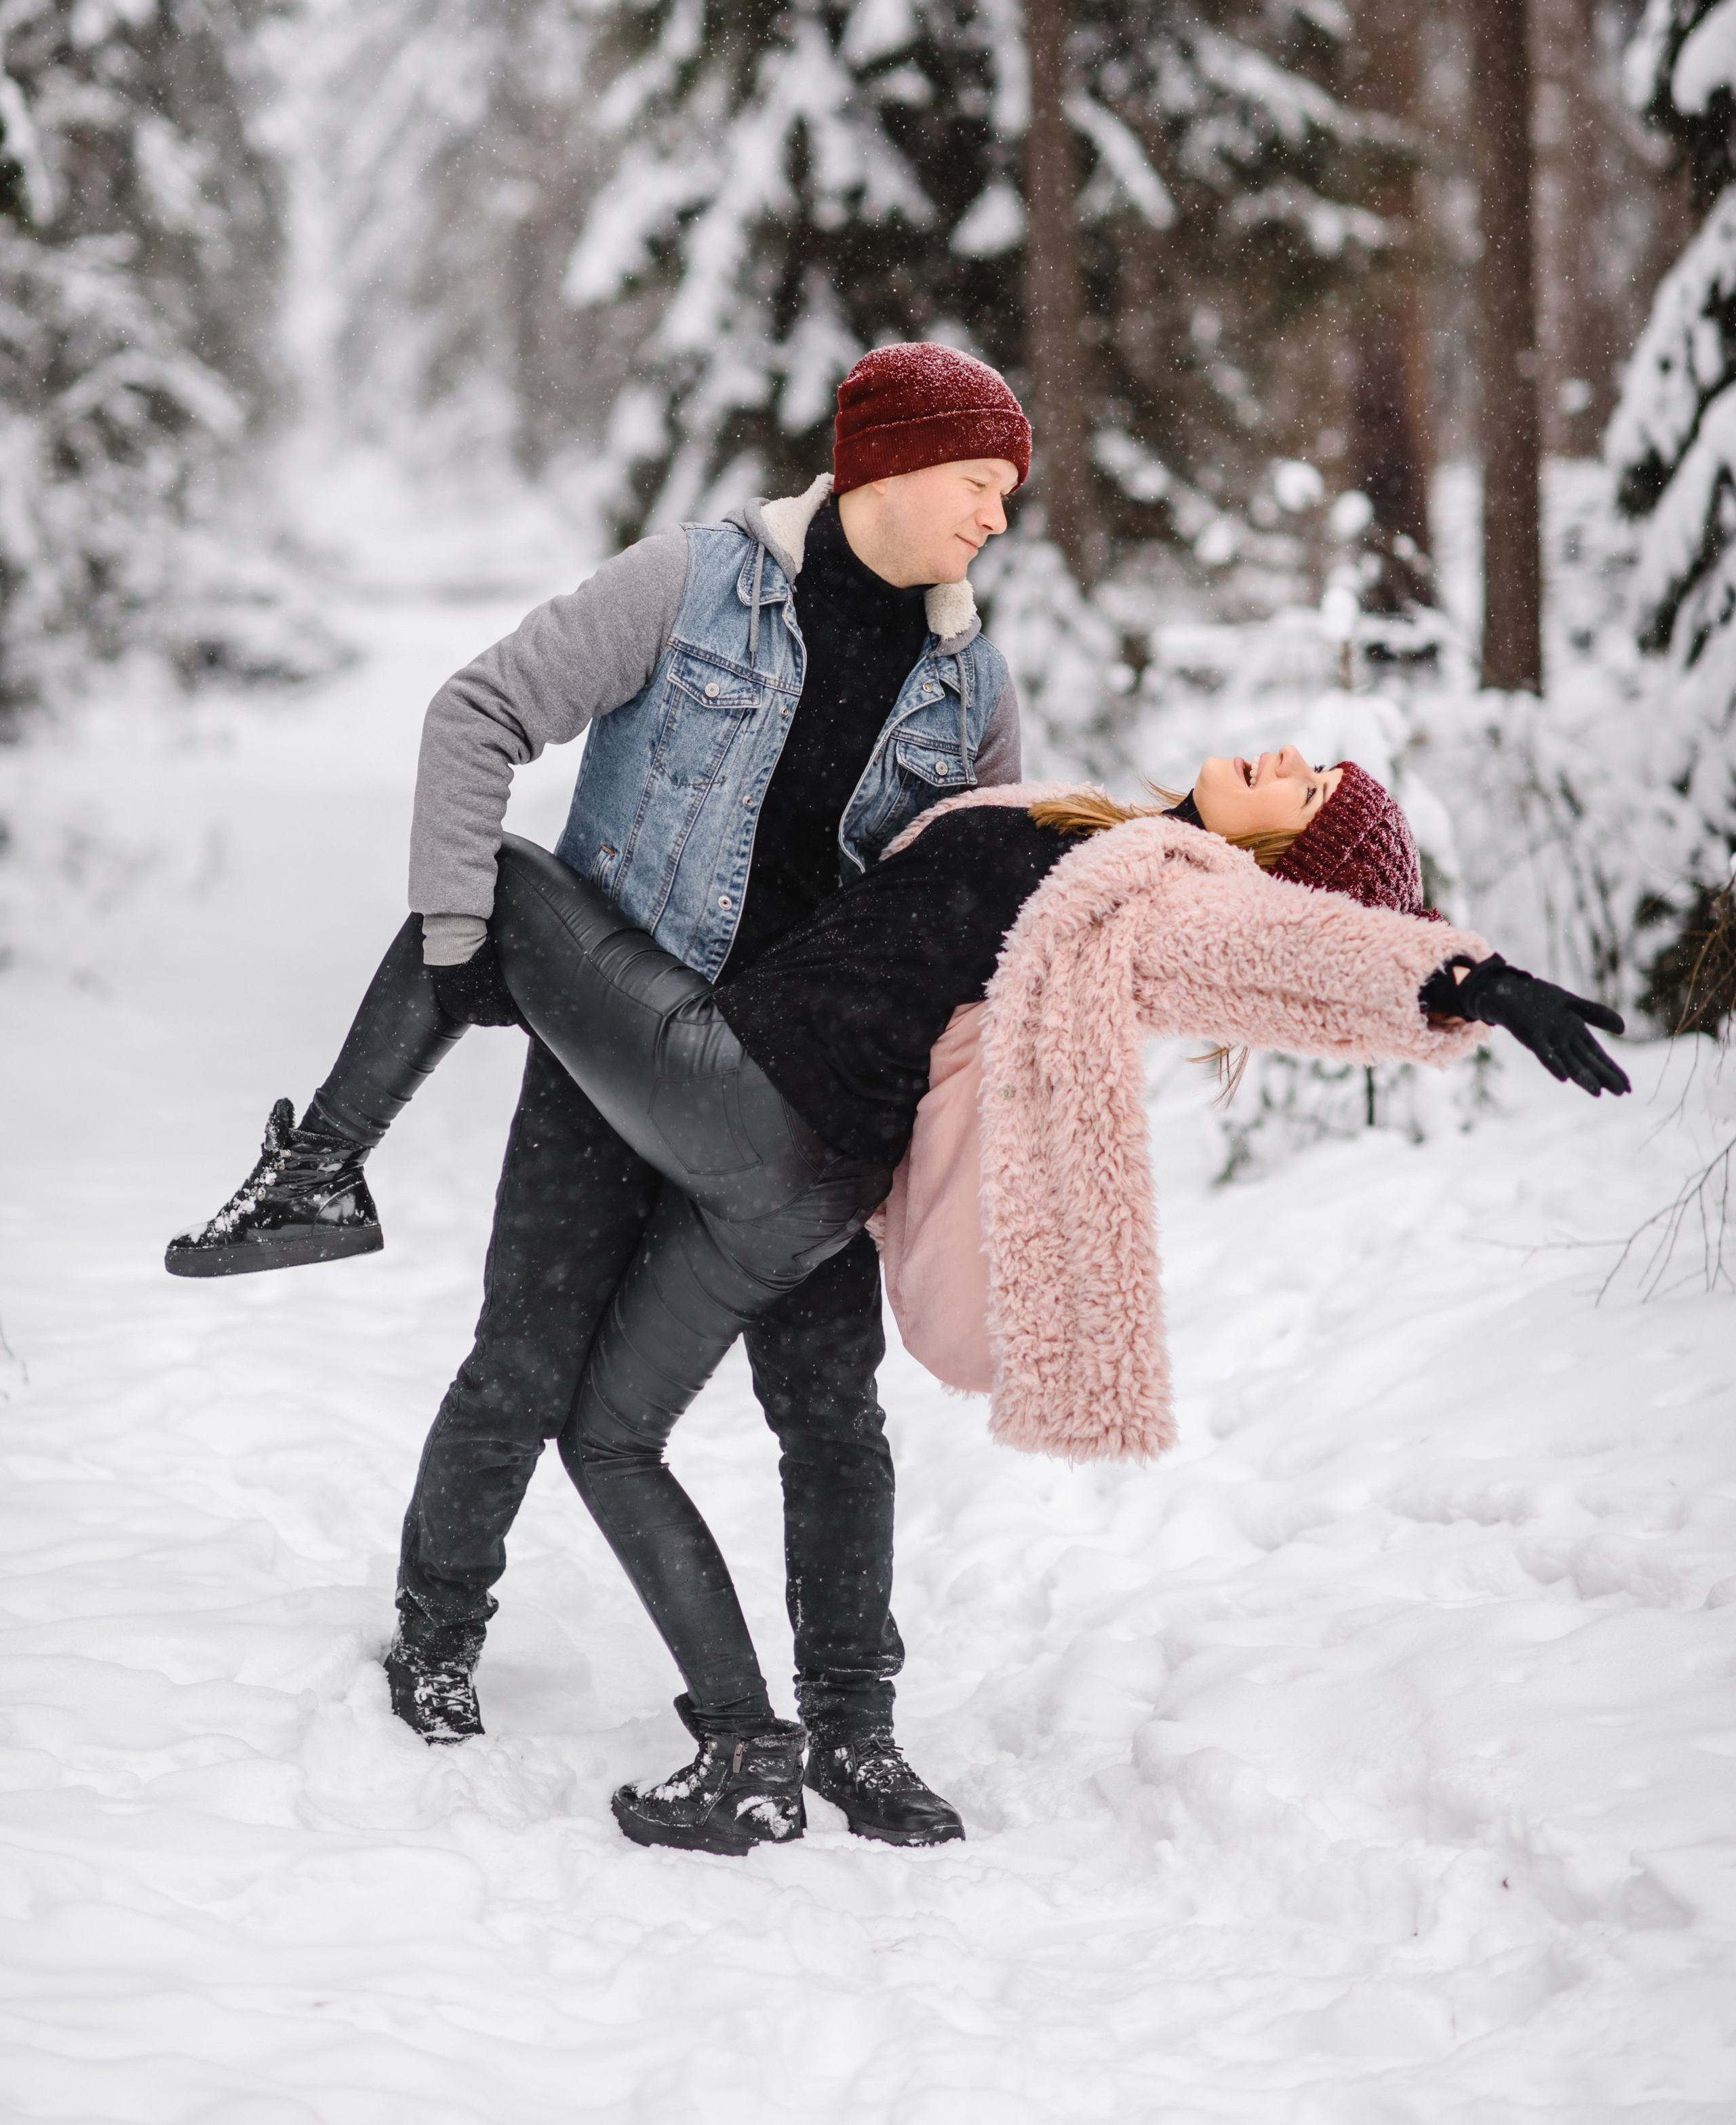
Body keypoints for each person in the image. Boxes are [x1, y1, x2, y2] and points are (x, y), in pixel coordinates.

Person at [168, 733, 1629, 1856]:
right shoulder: (1102, 838)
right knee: (608, 1430)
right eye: (1315, 762)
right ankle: (747, 1752)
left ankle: (318, 1174)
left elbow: (1280, 957)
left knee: (489, 878)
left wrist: (1463, 983)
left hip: (740, 1093)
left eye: (1312, 796)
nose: (1294, 760)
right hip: (800, 1170)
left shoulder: (1161, 900)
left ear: (1279, 864)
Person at [164, 343, 1031, 1849]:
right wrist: (460, 946)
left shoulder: (971, 685)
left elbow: (981, 908)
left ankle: (854, 1729)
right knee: (522, 1364)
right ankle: (437, 1639)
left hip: (804, 1096)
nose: (996, 522)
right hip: (614, 1054)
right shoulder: (689, 585)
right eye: (980, 486)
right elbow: (477, 712)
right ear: (887, 462)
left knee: (830, 1412)